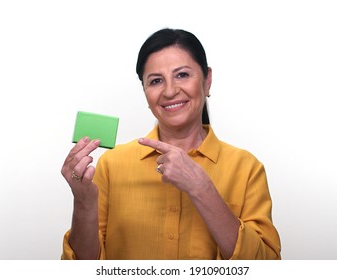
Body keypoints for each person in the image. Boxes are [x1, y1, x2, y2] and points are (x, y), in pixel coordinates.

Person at [60, 28, 281, 260]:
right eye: (156, 81)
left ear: (207, 81)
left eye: (182, 75)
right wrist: (83, 202)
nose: (170, 90)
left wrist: (201, 188)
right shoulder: (111, 165)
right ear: (145, 92)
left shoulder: (246, 168)